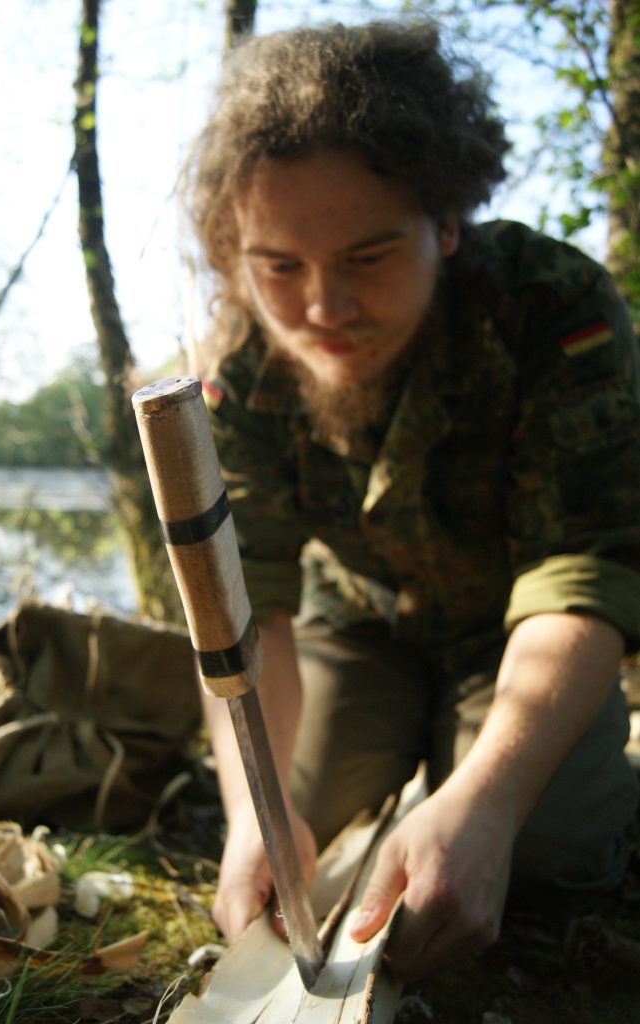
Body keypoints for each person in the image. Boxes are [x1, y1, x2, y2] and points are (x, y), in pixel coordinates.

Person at [182, 19, 640, 981]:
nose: (322, 309)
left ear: (444, 223)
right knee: (302, 831)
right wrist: (248, 817)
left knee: (549, 856)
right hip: (356, 627)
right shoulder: (233, 377)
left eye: (367, 256)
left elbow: (585, 573)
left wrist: (493, 798)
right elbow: (247, 607)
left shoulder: (553, 307)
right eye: (278, 267)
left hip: (520, 628)